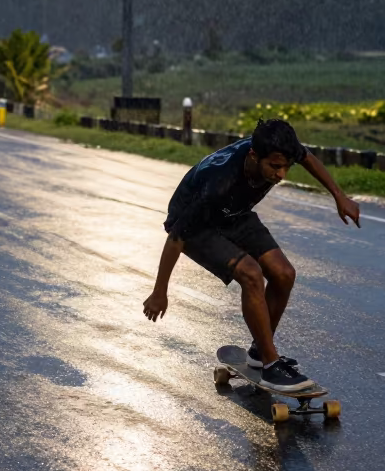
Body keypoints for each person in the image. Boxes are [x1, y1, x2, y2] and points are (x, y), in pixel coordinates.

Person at [143, 118, 361, 392]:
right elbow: (176, 237)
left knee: (284, 274)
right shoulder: (219, 181)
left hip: (235, 213)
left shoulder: (277, 148)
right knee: (251, 274)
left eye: (286, 167)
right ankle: (271, 366)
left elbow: (308, 158)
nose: (281, 175)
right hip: (195, 224)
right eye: (275, 167)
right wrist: (160, 291)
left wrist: (339, 196)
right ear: (254, 156)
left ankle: (260, 354)